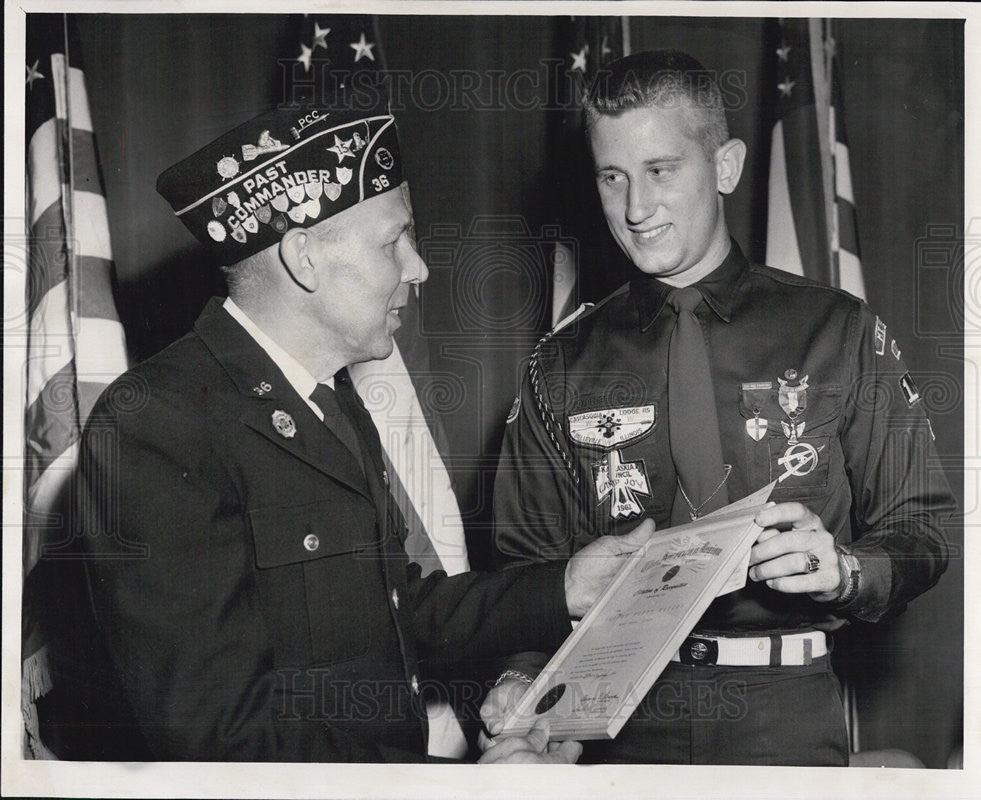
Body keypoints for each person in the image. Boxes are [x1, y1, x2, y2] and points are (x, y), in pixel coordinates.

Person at [73, 96, 655, 763]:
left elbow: (395, 604)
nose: (419, 267)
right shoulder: (158, 420)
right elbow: (218, 740)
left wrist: (564, 587)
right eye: (392, 241)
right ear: (304, 260)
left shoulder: (332, 401)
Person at [486, 50, 955, 765]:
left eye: (661, 171)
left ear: (727, 167)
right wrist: (521, 674)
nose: (635, 209)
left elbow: (923, 527)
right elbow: (524, 570)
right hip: (614, 721)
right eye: (613, 176)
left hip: (785, 710)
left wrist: (845, 570)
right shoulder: (560, 362)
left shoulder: (838, 331)